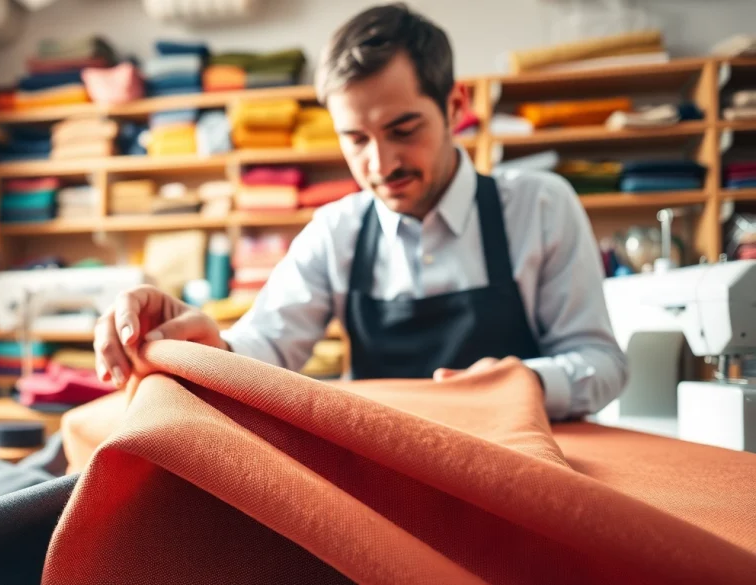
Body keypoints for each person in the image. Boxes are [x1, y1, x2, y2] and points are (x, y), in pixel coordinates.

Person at [93, 3, 628, 421]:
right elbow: (264, 347)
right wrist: (210, 346)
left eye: (403, 130)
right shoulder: (336, 230)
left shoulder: (540, 207)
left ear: (455, 108)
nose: (381, 163)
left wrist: (523, 385)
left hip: (520, 472)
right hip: (384, 483)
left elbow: (602, 364)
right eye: (355, 138)